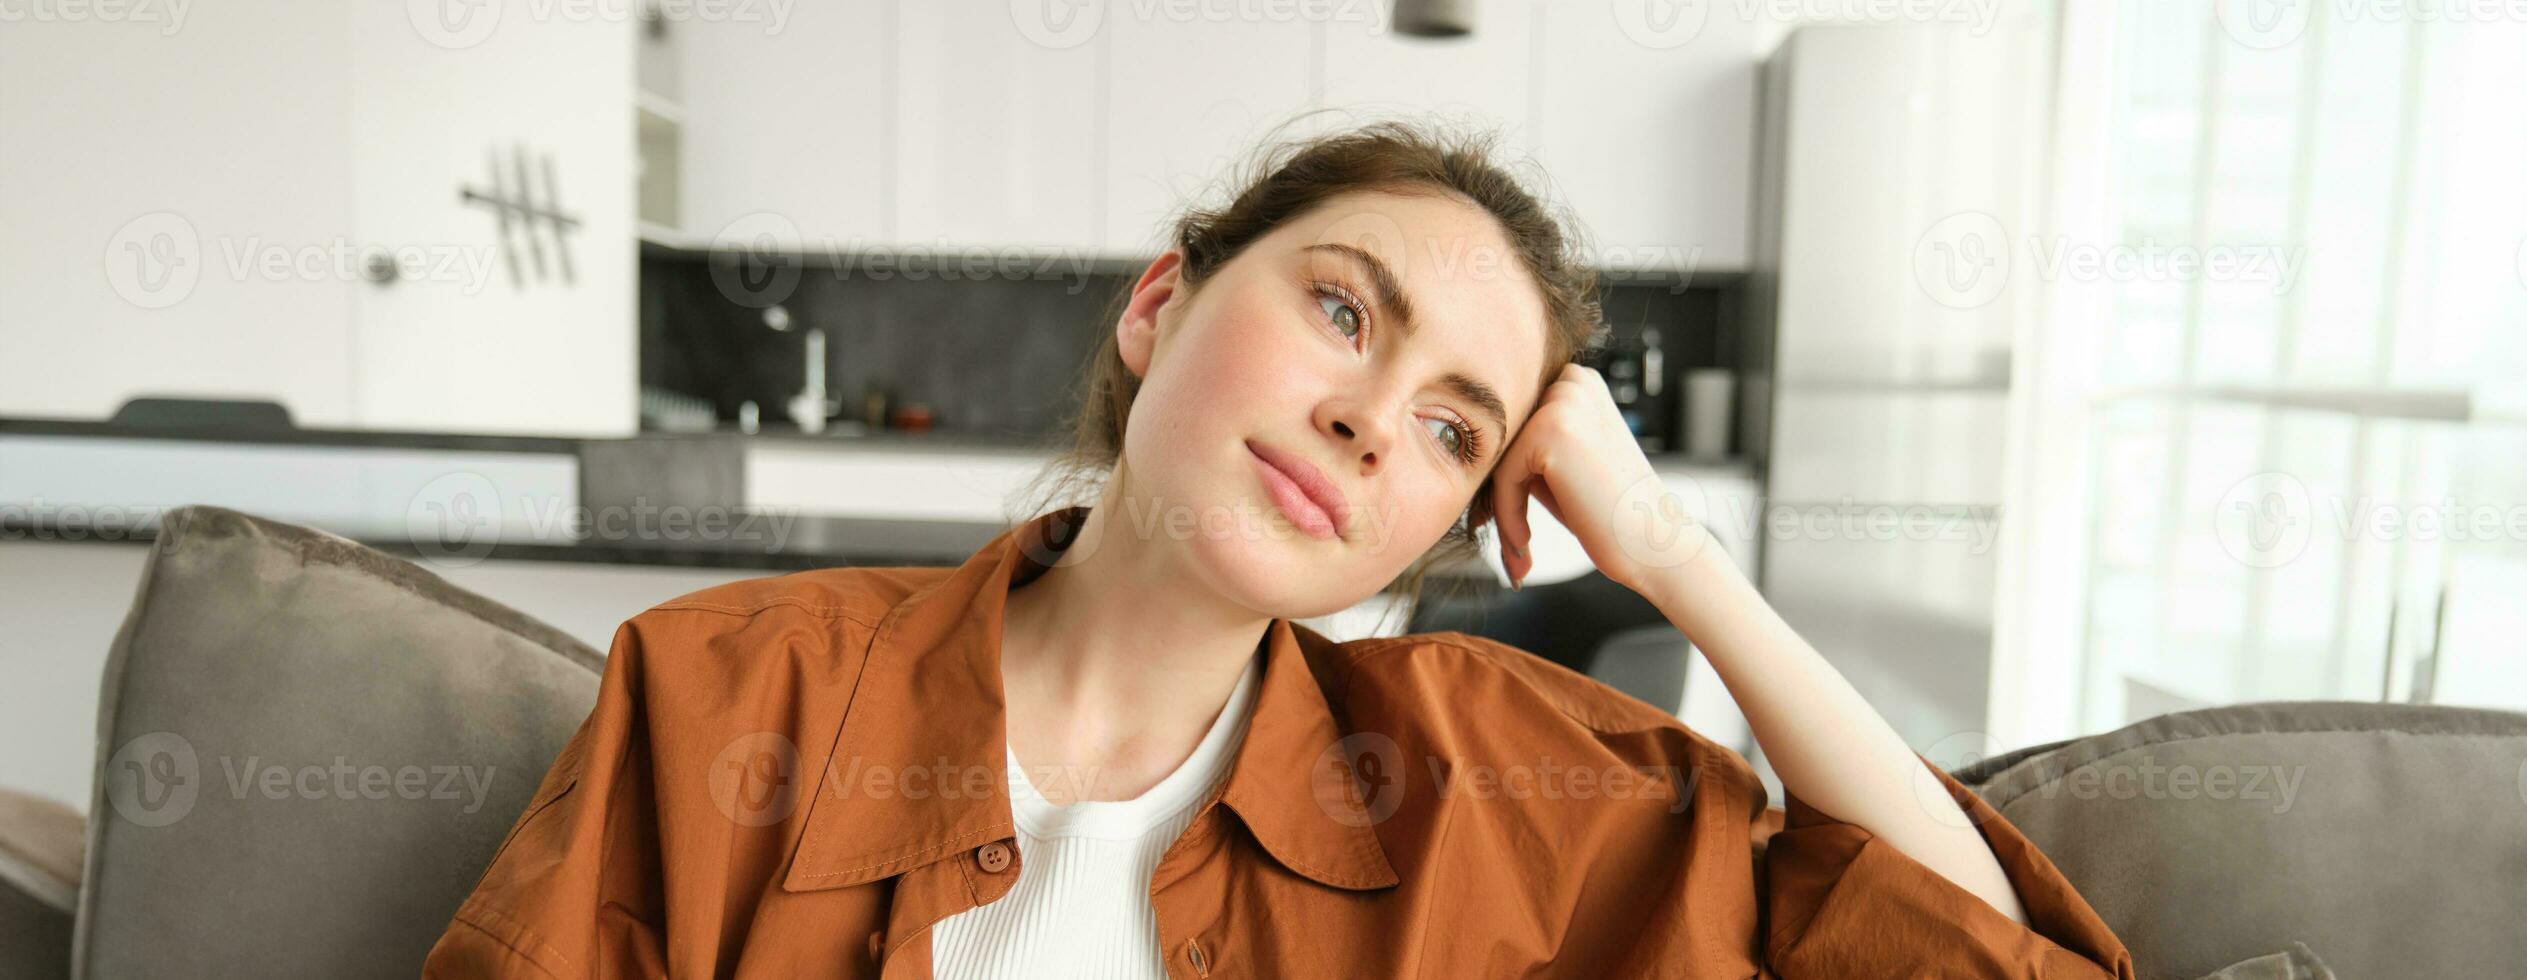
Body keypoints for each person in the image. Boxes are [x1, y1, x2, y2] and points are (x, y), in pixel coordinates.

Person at [423, 120, 2134, 979]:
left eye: (1458, 426)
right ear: (1163, 306)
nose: (1375, 417)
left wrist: (1678, 553)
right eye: (1339, 313)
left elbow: (1969, 953)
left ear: (1456, 512)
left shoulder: (1490, 779)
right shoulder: (727, 695)